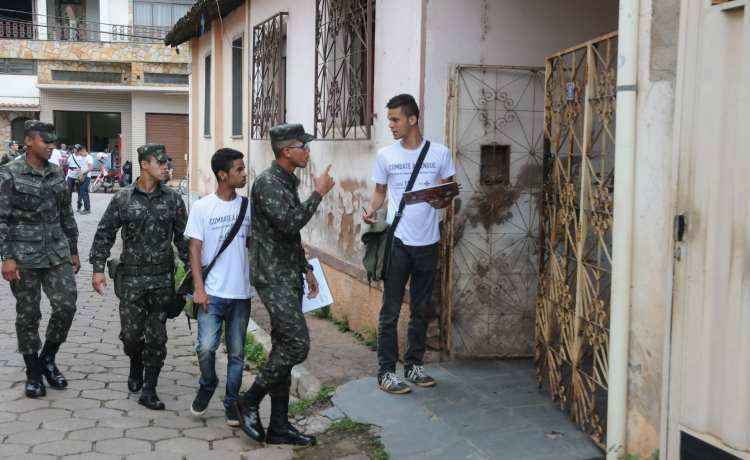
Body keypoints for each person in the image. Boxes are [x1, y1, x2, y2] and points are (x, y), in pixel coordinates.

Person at [235, 124, 335, 446]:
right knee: (296, 344)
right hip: (272, 277)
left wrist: (304, 266)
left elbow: (287, 234)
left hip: (287, 273)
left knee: (283, 347)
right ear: (285, 151)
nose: (307, 151)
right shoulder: (267, 183)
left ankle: (279, 425)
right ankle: (249, 400)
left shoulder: (285, 180)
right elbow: (291, 221)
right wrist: (318, 192)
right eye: (302, 146)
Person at [362, 94, 456, 394]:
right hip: (397, 242)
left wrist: (442, 196)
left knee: (421, 308)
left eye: (395, 119)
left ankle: (414, 366)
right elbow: (379, 191)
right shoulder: (386, 156)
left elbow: (450, 193)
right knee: (390, 310)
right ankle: (386, 372)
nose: (390, 125)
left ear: (412, 119)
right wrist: (372, 209)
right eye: (389, 119)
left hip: (428, 242)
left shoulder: (439, 153)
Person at [89, 144, 189, 410]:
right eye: (161, 161)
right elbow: (104, 233)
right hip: (131, 280)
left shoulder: (173, 200)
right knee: (131, 336)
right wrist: (98, 269)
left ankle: (149, 389)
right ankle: (135, 362)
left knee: (157, 338)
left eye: (168, 161)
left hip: (161, 280)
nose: (166, 166)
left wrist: (194, 277)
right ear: (144, 164)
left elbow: (184, 240)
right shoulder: (123, 198)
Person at [0, 121, 79, 398]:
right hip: (23, 256)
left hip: (56, 251)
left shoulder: (56, 172)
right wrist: (6, 257)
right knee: (29, 314)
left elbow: (66, 213)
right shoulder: (9, 174)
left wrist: (73, 249)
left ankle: (48, 356)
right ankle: (33, 371)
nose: (51, 146)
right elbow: (2, 219)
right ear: (30, 141)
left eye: (53, 141)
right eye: (46, 141)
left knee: (66, 305)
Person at [184, 148, 252, 427]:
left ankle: (231, 404)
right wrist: (199, 289)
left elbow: (254, 244)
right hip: (211, 293)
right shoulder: (203, 207)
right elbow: (194, 250)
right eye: (239, 169)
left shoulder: (248, 206)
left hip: (241, 294)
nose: (244, 173)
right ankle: (208, 383)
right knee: (206, 347)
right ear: (223, 175)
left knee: (237, 353)